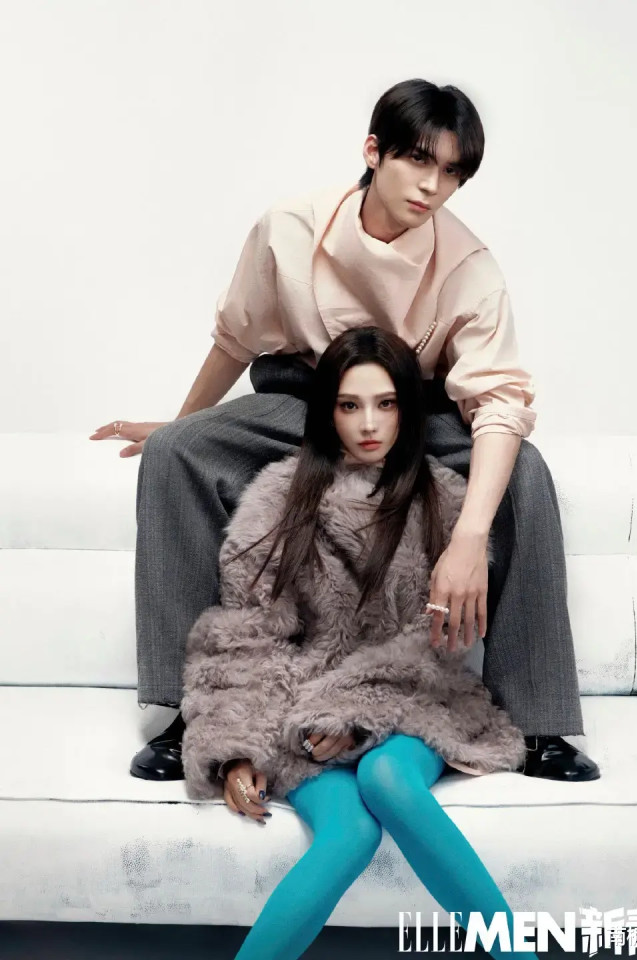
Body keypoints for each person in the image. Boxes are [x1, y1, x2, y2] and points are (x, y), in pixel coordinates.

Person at [89, 77, 599, 784]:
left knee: (525, 469)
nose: (432, 186)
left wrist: (469, 538)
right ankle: (190, 716)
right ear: (373, 150)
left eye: (452, 172)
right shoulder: (289, 228)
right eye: (418, 160)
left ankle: (540, 725)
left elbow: (499, 400)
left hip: (412, 406)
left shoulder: (470, 267)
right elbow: (237, 336)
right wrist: (186, 423)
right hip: (305, 394)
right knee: (176, 453)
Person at [182, 326, 538, 960]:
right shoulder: (277, 499)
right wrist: (237, 751)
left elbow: (440, 642)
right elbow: (246, 638)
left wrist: (354, 713)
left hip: (415, 701)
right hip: (299, 718)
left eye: (386, 403)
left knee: (388, 776)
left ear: (407, 408)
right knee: (348, 834)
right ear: (327, 412)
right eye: (349, 405)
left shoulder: (446, 502)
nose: (369, 424)